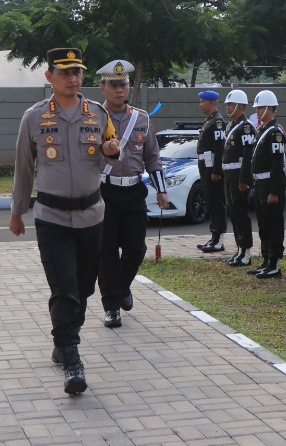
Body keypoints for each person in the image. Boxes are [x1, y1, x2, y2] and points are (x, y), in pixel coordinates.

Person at [9, 47, 121, 395]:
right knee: (64, 288)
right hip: (52, 217)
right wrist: (17, 211)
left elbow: (113, 155)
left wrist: (112, 154)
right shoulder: (34, 117)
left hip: (91, 216)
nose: (73, 79)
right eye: (64, 73)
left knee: (84, 287)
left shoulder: (99, 114)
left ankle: (62, 341)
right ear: (49, 77)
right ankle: (72, 360)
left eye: (77, 73)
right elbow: (24, 167)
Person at [95, 59, 168, 329]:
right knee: (107, 253)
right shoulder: (93, 118)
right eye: (113, 85)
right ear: (103, 88)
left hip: (135, 192)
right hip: (104, 193)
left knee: (136, 250)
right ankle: (112, 306)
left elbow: (153, 157)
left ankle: (122, 287)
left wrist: (161, 190)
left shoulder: (142, 119)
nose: (119, 90)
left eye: (123, 84)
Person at [247, 90, 286, 279]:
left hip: (270, 183)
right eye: (257, 107)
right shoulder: (262, 130)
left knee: (273, 225)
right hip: (260, 184)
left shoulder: (275, 133)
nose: (257, 111)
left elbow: (276, 165)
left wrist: (275, 192)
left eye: (261, 107)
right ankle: (266, 260)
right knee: (263, 225)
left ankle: (274, 263)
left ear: (270, 108)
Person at [222, 89, 255, 267]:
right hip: (229, 174)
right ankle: (240, 249)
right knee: (233, 213)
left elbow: (248, 155)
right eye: (227, 104)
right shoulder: (231, 126)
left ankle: (247, 251)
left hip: (238, 175)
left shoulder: (246, 127)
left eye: (231, 104)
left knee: (241, 213)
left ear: (241, 106)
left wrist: (244, 180)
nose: (228, 107)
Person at [195, 91, 227, 252]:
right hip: (205, 166)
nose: (200, 105)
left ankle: (219, 239)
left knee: (217, 203)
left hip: (212, 167)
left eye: (203, 102)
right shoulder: (209, 121)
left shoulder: (218, 122)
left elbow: (220, 149)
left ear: (212, 103)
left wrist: (217, 171)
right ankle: (214, 236)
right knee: (210, 202)